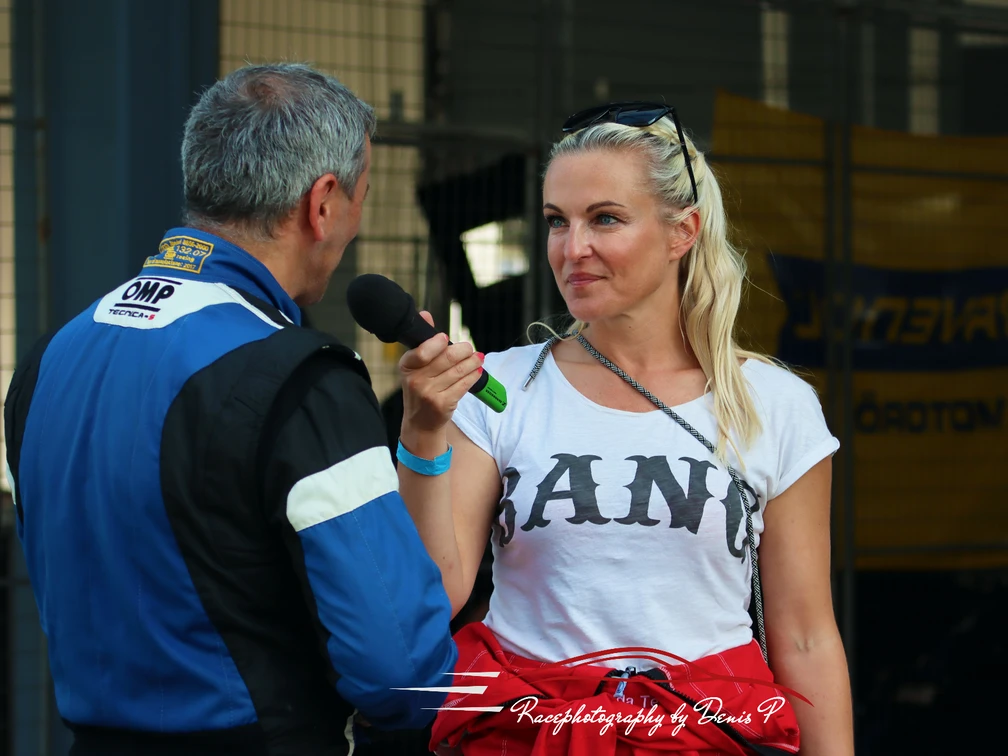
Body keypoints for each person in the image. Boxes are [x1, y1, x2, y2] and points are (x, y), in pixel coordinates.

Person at [3, 63, 457, 756]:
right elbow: (401, 674)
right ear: (324, 202)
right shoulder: (303, 381)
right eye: (362, 196)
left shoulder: (50, 357)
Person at [394, 102, 855, 755]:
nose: (571, 248)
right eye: (557, 221)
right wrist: (422, 435)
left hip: (703, 735)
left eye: (604, 218)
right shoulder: (499, 390)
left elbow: (806, 635)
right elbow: (432, 595)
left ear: (681, 232)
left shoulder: (773, 404)